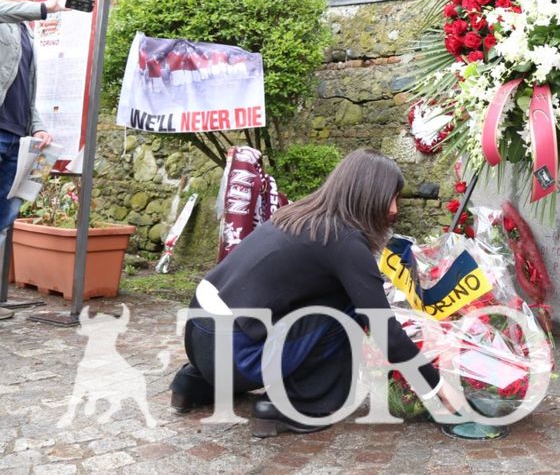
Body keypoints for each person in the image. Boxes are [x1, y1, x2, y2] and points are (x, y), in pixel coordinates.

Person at [167, 149, 466, 436]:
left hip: (199, 337)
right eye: (392, 197)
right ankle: (298, 406)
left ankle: (193, 384)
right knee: (346, 311)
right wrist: (438, 387)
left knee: (321, 302)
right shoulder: (344, 242)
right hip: (232, 354)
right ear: (368, 195)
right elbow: (385, 332)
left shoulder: (294, 216)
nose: (394, 210)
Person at [0, 0, 71, 321]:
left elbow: (23, 87)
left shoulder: (24, 31)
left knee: (5, 215)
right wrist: (43, 7)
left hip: (17, 137)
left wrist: (37, 124)